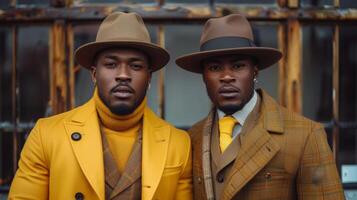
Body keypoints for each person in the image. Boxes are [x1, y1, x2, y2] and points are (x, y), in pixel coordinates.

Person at [9, 12, 192, 200]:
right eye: (111, 64)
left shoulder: (178, 143)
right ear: (94, 74)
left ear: (149, 77)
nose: (123, 75)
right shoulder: (47, 135)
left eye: (136, 66)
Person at [175, 14, 344, 200]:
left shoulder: (306, 135)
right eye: (215, 68)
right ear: (203, 76)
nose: (226, 77)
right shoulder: (193, 137)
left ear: (255, 71)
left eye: (238, 66)